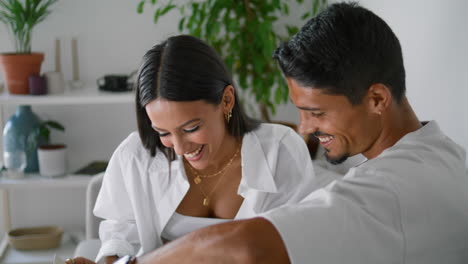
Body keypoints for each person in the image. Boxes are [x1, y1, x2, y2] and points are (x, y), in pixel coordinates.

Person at [129, 2, 468, 264]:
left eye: (316, 112)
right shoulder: (445, 153)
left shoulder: (387, 189)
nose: (304, 128)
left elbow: (246, 247)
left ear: (377, 99)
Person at [68, 35, 339, 264]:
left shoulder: (280, 150)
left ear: (227, 100)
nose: (181, 147)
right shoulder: (134, 157)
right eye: (163, 133)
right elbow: (120, 236)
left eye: (191, 128)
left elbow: (293, 244)